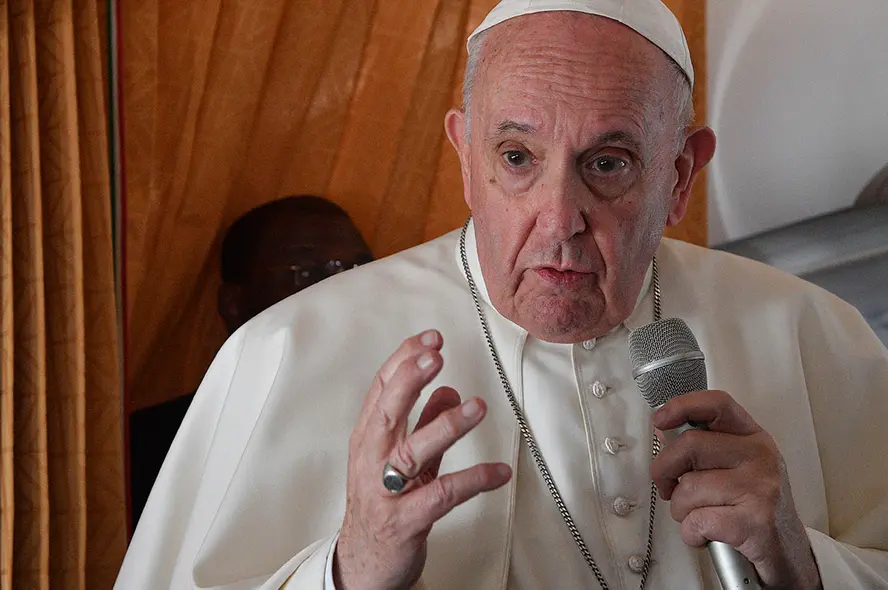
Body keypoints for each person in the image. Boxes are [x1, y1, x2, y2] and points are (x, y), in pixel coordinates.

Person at [117, 1, 888, 588]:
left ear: (680, 175)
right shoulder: (287, 349)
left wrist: (804, 563)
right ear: (464, 157)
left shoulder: (811, 331)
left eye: (608, 163)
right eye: (517, 157)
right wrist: (349, 570)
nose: (559, 221)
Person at [127, 195, 372, 526]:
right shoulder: (157, 445)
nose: (343, 289)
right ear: (234, 304)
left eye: (358, 268)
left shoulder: (398, 421)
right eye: (307, 273)